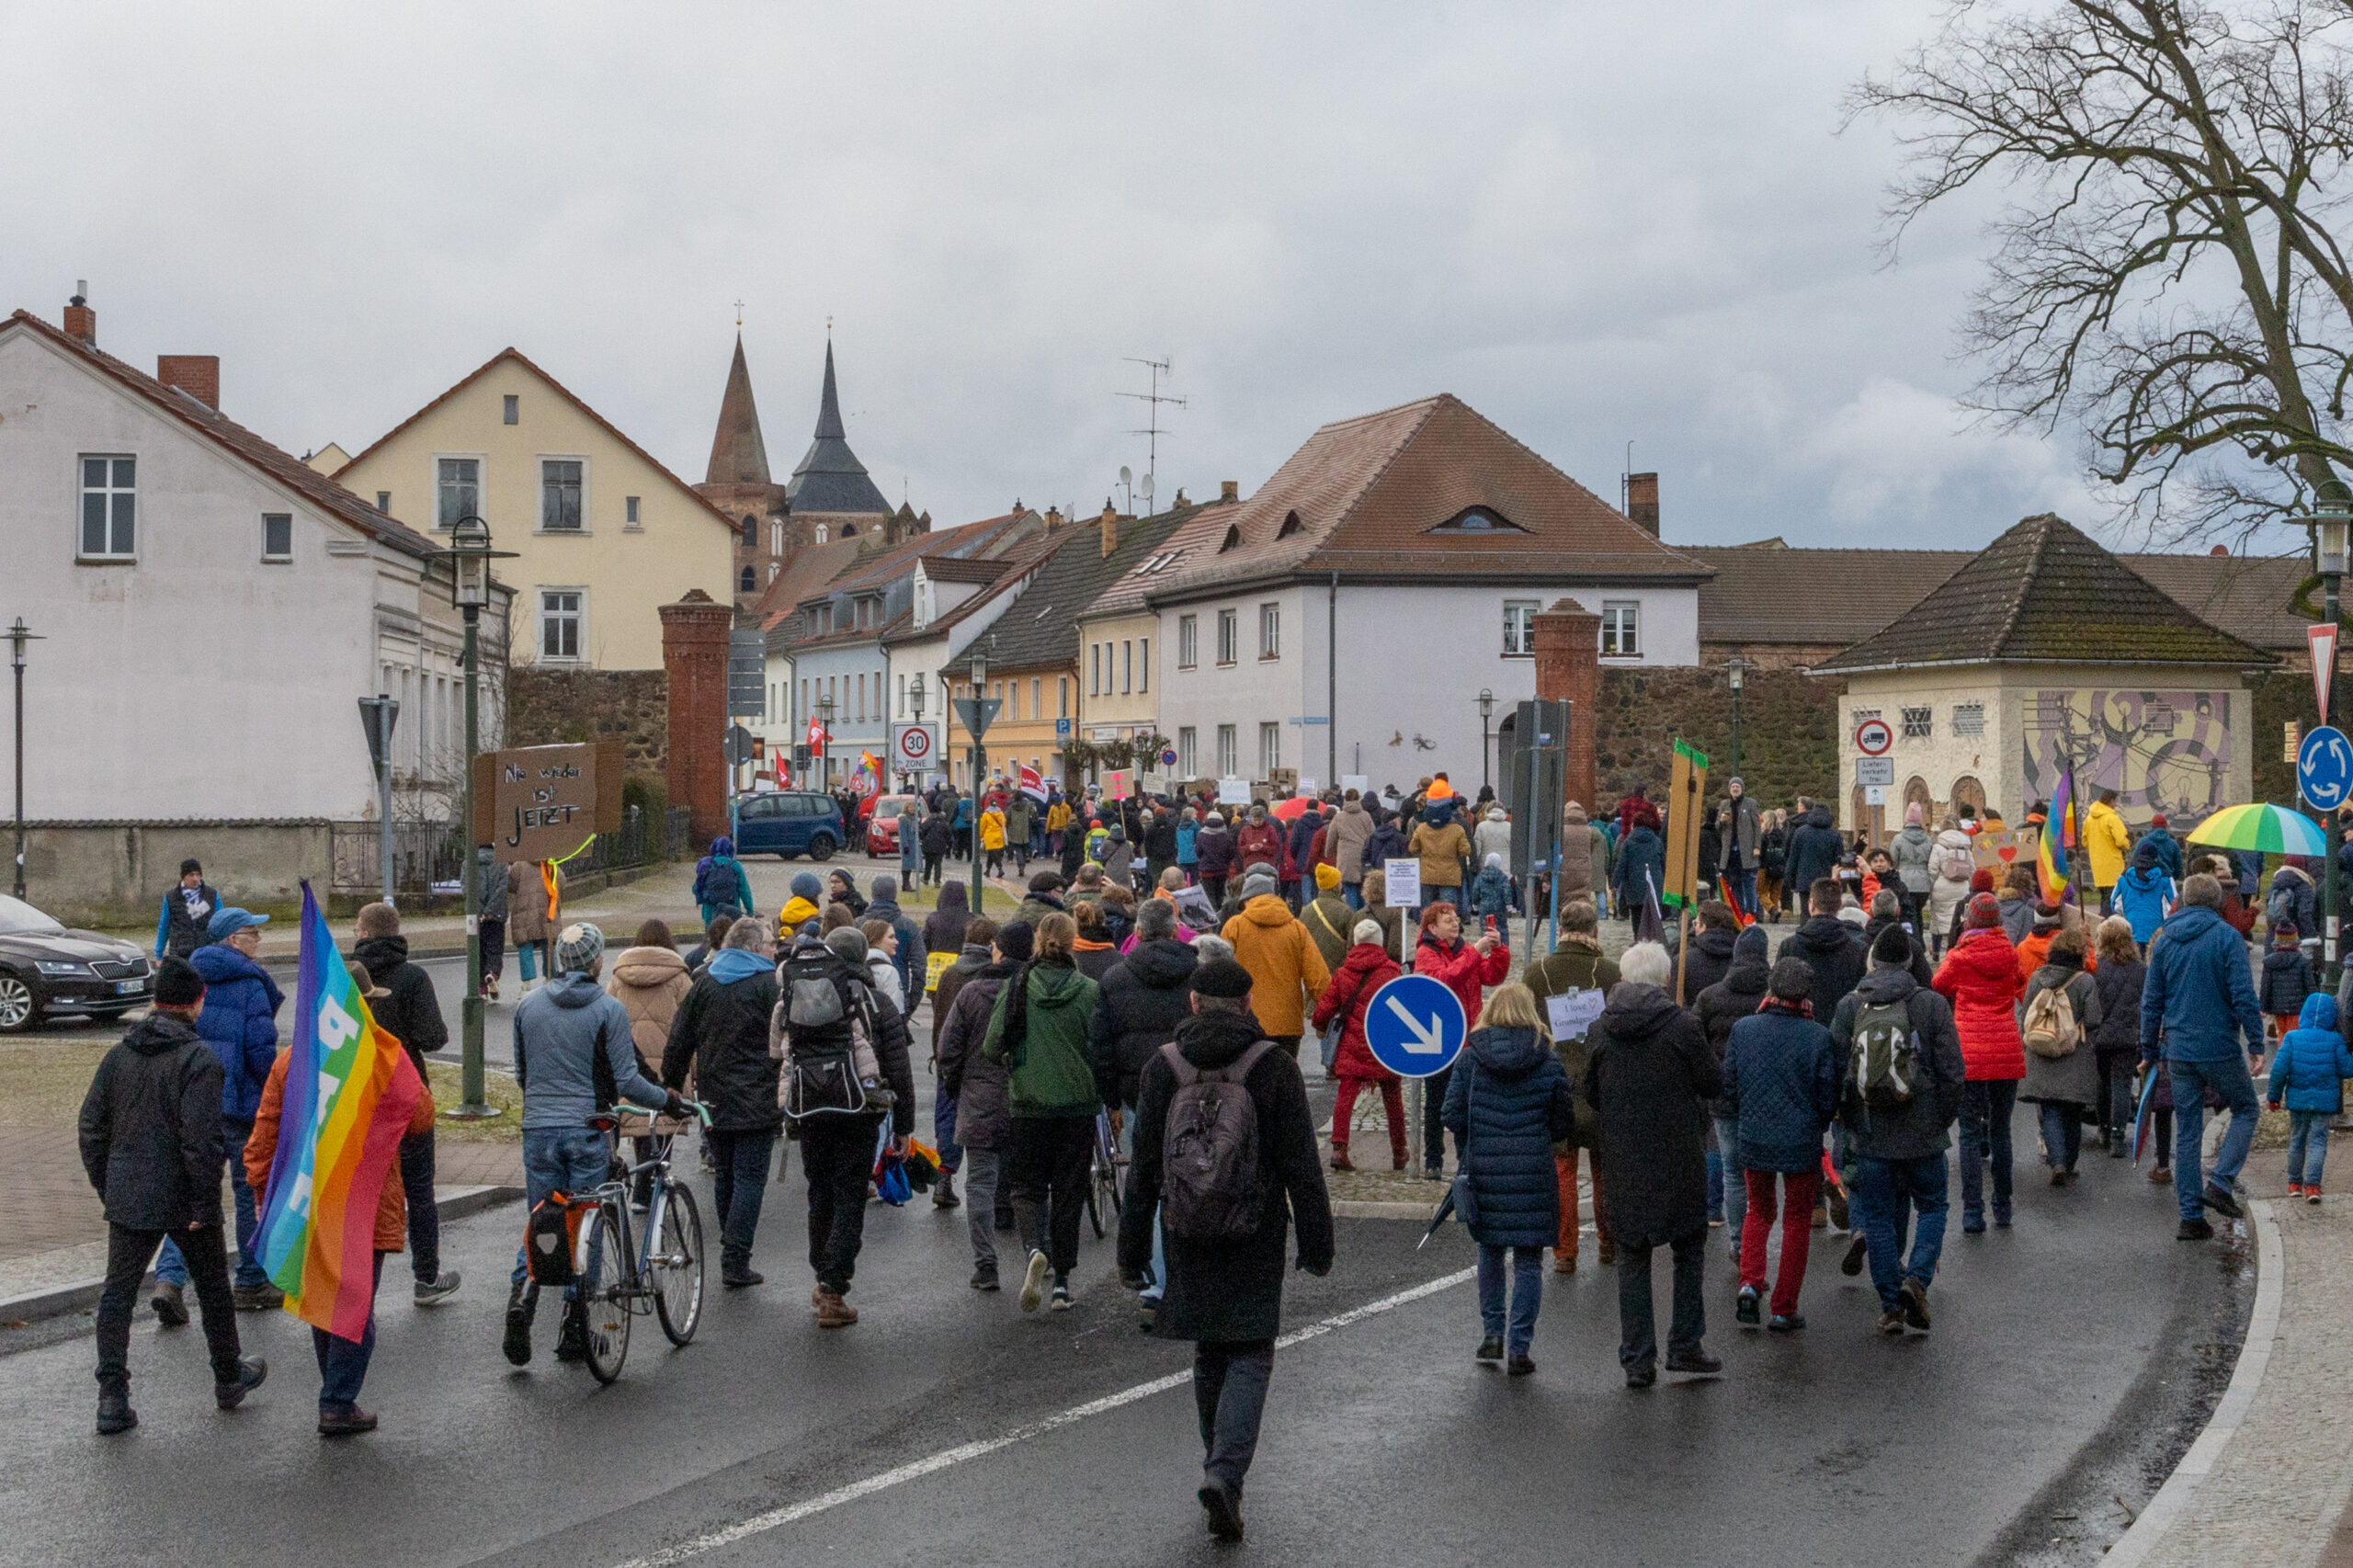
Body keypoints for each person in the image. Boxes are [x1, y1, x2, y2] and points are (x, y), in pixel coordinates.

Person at [1119, 954, 1333, 1543]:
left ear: (1192, 1003)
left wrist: (1131, 1249)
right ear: (1248, 1005)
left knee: (1210, 1351)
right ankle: (1225, 1475)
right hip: (1254, 1227)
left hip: (1185, 1228)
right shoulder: (1273, 1067)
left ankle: (1219, 1467)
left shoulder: (1163, 1067)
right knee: (1251, 1351)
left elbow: (1142, 1172)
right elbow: (1301, 1167)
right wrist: (1317, 1244)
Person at [237, 960, 432, 1436]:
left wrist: (264, 1193)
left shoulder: (292, 1059)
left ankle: (335, 1393)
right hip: (365, 1201)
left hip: (307, 1199)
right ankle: (338, 1400)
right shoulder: (381, 1056)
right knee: (355, 1301)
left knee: (324, 1296)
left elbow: (264, 1132)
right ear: (364, 1006)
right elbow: (421, 1116)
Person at [80, 956, 268, 1436]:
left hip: (129, 1193)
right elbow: (200, 1142)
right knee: (212, 1290)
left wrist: (109, 1184)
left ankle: (111, 1396)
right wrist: (205, 1205)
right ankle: (228, 1377)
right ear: (197, 1003)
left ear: (155, 1001)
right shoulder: (198, 1058)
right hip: (186, 1199)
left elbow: (91, 1128)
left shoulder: (120, 1054)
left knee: (117, 1296)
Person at [503, 923, 685, 1367]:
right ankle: (575, 1326)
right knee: (590, 1222)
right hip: (588, 1128)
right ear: (597, 961)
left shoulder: (528, 1006)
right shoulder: (607, 1009)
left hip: (539, 1128)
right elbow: (627, 1081)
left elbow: (523, 1074)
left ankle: (523, 1298)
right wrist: (669, 1100)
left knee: (542, 1219)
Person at [1585, 941, 1722, 1389]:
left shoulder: (1600, 1029)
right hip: (1678, 1154)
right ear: (1665, 979)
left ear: (1623, 979)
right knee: (1687, 1250)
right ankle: (1684, 1345)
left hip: (1624, 1157)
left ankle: (1637, 1359)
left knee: (1633, 1256)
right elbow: (1711, 1081)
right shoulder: (1682, 1026)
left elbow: (1589, 1092)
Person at [1829, 922, 1966, 1335]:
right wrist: (1941, 1119)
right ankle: (1916, 1279)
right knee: (1933, 1206)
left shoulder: (1850, 1007)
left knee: (1876, 1218)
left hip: (1870, 1135)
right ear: (1910, 961)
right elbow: (1954, 1073)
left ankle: (1890, 1306)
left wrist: (1848, 1124)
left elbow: (1837, 1072)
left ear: (1872, 960)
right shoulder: (1931, 1004)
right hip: (1923, 1133)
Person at [151, 906, 282, 1321]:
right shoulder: (251, 985)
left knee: (192, 1193)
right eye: (252, 933)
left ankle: (169, 1279)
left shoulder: (192, 978)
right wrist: (274, 1094)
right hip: (241, 1106)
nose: (258, 940)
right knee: (248, 1193)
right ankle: (250, 1279)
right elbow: (261, 1052)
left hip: (196, 1102)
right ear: (232, 940)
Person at [1443, 983, 1578, 1376]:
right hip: (1534, 1171)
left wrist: (1475, 1134)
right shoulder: (1548, 1059)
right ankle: (1520, 1347)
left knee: (1489, 1252)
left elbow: (1450, 1114)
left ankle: (1491, 1335)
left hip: (1484, 1169)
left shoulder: (1471, 1059)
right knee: (1530, 1263)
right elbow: (1562, 1122)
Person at [983, 912, 1104, 1313]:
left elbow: (991, 1043)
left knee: (1027, 1186)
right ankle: (1063, 1283)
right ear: (1072, 943)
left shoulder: (1017, 986)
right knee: (1070, 1192)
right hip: (1078, 1104)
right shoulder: (1089, 990)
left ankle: (1035, 1247)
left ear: (1038, 940)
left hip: (1028, 1102)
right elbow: (1100, 1046)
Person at [1088, 897, 1198, 1324]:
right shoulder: (1197, 972)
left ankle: (1156, 1284)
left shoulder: (1117, 978)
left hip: (1139, 1094)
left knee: (1148, 1185)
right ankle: (1191, 1278)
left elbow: (1101, 1046)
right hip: (1194, 1090)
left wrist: (1111, 1099)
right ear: (1173, 930)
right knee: (1197, 1179)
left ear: (1138, 930)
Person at [2139, 872, 2266, 1241]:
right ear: (2216, 903)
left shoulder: (2164, 942)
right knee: (2246, 1107)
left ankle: (2190, 1218)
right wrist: (2256, 1045)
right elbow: (2244, 995)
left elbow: (2151, 1003)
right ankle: (2221, 1183)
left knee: (2188, 1131)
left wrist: (2149, 1051)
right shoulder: (2227, 938)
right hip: (2219, 1047)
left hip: (2177, 1051)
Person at [350, 902, 461, 1308]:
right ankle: (426, 1277)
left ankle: (357, 1282)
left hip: (357, 1098)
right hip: (405, 1095)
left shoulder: (347, 977)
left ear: (364, 934)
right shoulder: (413, 978)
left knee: (361, 1192)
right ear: (396, 933)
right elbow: (434, 1038)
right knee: (418, 1190)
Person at [661, 917, 781, 1289]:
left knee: (726, 1174)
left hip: (713, 1095)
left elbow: (680, 1039)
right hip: (759, 1094)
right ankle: (735, 1259)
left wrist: (670, 1084)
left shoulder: (705, 982)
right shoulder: (769, 986)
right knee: (749, 1178)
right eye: (771, 943)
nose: (776, 949)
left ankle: (730, 1251)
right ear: (753, 947)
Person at [1722, 956, 1837, 1332]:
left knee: (1759, 1211)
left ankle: (1750, 1283)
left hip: (1753, 1136)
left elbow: (1730, 1085)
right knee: (1797, 1220)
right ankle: (1783, 1306)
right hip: (1801, 1140)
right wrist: (1817, 1125)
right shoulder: (1818, 1036)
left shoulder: (1744, 1029)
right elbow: (1827, 1097)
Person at [1522, 900, 1620, 1271]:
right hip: (1600, 1084)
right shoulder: (1611, 973)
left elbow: (1527, 1029)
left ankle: (1564, 1252)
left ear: (1560, 930)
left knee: (1562, 1171)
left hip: (1555, 1082)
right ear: (1595, 930)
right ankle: (1609, 1243)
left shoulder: (1535, 973)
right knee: (1604, 1169)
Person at [1935, 892, 2027, 1233]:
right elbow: (2020, 985)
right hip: (2005, 1050)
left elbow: (1937, 984)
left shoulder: (1960, 956)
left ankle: (1972, 1211)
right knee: (2002, 1131)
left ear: (1970, 920)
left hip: (1970, 1052)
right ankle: (2003, 1206)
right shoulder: (2010, 953)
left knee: (1970, 1133)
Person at [938, 920, 1022, 1285]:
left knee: (979, 1182)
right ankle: (1041, 1251)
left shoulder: (971, 993)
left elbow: (948, 1050)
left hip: (979, 1095)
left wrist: (957, 1088)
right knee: (1031, 1182)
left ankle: (986, 1263)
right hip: (1026, 1096)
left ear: (997, 951)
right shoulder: (1028, 991)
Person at [1412, 903, 1508, 1175]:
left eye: (1455, 919)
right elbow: (1443, 981)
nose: (1455, 923)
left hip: (1468, 1037)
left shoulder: (1465, 949)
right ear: (1432, 928)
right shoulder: (1425, 952)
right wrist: (1475, 953)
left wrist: (1498, 949)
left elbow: (1492, 976)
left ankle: (1465, 1159)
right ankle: (1433, 1160)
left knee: (1467, 1102)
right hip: (1437, 1038)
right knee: (1436, 1101)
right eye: (1447, 921)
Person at [1313, 920, 1408, 1173]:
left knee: (1345, 1096)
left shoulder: (1343, 973)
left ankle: (1338, 1149)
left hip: (1352, 1046)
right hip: (1384, 1046)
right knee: (1393, 1098)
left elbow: (1323, 1011)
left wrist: (1321, 1024)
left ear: (1355, 942)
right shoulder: (1392, 972)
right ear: (1380, 943)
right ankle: (1399, 1152)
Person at [2018, 926, 2105, 1186]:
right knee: (2072, 1112)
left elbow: (2026, 1016)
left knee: (2050, 1109)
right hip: (2073, 1054)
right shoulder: (2085, 981)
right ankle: (2068, 1162)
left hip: (2041, 1051)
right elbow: (2093, 1019)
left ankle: (2056, 1162)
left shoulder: (2037, 978)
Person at [1221, 872, 1334, 1060]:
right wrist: (1328, 1014)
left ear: (1247, 900)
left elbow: (1222, 974)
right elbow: (1318, 978)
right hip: (1288, 1024)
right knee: (1285, 1082)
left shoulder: (1235, 927)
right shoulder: (1296, 928)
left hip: (1245, 1021)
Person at [2268, 992, 2353, 1201]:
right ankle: (2313, 1187)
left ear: (2304, 1014)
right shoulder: (2335, 1040)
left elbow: (2279, 1070)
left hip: (2298, 1101)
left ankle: (2294, 1183)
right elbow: (2347, 1069)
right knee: (2318, 1142)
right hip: (2324, 1103)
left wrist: (2274, 1097)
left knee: (2297, 1140)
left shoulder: (2291, 1038)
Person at [2090, 916, 2150, 1158]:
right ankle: (2118, 1134)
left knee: (2102, 1083)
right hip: (2127, 1034)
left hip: (2100, 1034)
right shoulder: (2140, 970)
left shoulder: (2096, 968)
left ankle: (2103, 1128)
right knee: (2122, 1085)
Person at [1782, 879, 1868, 1023]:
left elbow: (1780, 991)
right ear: (1839, 906)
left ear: (1811, 904)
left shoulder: (1789, 946)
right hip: (1845, 1026)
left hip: (1801, 1025)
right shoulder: (1859, 948)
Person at [506, 859, 562, 994]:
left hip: (524, 911)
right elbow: (562, 881)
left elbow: (511, 886)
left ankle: (526, 983)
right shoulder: (550, 864)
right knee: (548, 945)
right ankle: (550, 976)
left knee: (525, 945)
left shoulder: (519, 865)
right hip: (547, 910)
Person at [1926, 815, 1974, 956]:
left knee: (1938, 921)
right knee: (1960, 920)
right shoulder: (1965, 846)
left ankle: (1935, 950)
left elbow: (1932, 870)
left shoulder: (1938, 847)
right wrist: (1970, 887)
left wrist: (1930, 887)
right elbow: (1972, 869)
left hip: (1942, 889)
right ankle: (1957, 949)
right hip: (1962, 889)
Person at [153, 858, 221, 960]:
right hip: (180, 954)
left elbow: (221, 922)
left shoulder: (212, 895)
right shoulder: (171, 897)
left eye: (198, 875)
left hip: (206, 953)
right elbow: (164, 926)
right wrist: (159, 954)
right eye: (191, 875)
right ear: (183, 877)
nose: (195, 878)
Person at [1782, 799, 1843, 910]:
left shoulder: (1800, 832)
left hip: (1804, 880)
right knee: (1824, 910)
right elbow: (1838, 860)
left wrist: (1791, 882)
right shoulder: (1834, 834)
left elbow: (1793, 858)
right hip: (1826, 880)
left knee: (1806, 911)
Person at [2114, 841, 2176, 949]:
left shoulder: (2124, 877)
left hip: (2131, 932)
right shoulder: (2165, 878)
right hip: (2157, 934)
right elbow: (2174, 904)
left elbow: (2114, 903)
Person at [1610, 812, 1665, 924]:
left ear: (1634, 825)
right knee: (1652, 920)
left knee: (1637, 917)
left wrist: (1615, 884)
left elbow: (1621, 864)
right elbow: (1663, 864)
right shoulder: (1657, 841)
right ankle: (1652, 939)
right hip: (1654, 887)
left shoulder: (1628, 842)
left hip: (1634, 887)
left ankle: (1638, 938)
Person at [1719, 781, 1763, 917]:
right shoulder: (1724, 804)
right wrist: (1721, 820)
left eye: (1737, 786)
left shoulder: (1750, 803)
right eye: (1733, 787)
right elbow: (1718, 827)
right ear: (1729, 789)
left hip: (1747, 851)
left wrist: (1756, 846)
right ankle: (1739, 912)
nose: (1735, 789)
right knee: (1735, 882)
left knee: (1749, 883)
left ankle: (1751, 912)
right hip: (1731, 852)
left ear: (1742, 789)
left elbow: (1757, 827)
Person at [692, 835, 757, 927]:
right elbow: (744, 890)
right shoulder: (735, 865)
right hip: (732, 911)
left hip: (710, 912)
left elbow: (696, 888)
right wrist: (750, 910)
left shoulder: (707, 865)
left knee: (711, 938)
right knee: (731, 938)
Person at [1681, 901, 1741, 997]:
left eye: (1695, 924)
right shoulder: (1742, 961)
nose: (1694, 928)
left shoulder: (1682, 962)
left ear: (1703, 928)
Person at [2084, 790, 2130, 913]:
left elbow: (2084, 841)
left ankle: (2103, 924)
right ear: (2111, 801)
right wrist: (2127, 844)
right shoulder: (2112, 818)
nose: (2116, 805)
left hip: (2098, 867)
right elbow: (2121, 841)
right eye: (2115, 801)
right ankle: (2110, 927)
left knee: (2104, 898)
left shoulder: (2089, 819)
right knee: (2113, 900)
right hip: (2113, 866)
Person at [1329, 790, 1375, 908]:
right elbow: (1373, 835)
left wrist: (1329, 853)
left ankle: (1352, 918)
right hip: (1363, 856)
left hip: (1345, 857)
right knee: (1363, 890)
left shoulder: (1339, 817)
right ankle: (1363, 917)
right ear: (1358, 799)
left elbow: (1331, 837)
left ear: (1345, 799)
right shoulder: (1366, 816)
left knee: (1349, 889)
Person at [478, 850, 509, 1001]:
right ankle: (492, 974)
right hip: (496, 915)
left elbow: (466, 888)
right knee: (495, 949)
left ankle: (481, 989)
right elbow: (502, 888)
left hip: (476, 917)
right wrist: (489, 910)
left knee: (479, 951)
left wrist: (480, 911)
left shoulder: (468, 863)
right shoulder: (501, 862)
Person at [920, 803, 953, 887]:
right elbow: (948, 834)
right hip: (940, 845)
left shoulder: (928, 821)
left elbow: (922, 831)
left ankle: (926, 879)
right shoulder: (943, 822)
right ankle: (937, 881)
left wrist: (924, 840)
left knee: (928, 863)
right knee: (938, 864)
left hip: (928, 845)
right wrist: (949, 845)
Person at [1007, 793, 1036, 878]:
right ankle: (1023, 864)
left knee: (1018, 849)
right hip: (1025, 831)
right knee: (1024, 849)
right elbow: (1033, 814)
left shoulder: (1011, 807)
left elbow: (1006, 817)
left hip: (1014, 831)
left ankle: (1021, 866)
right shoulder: (1027, 807)